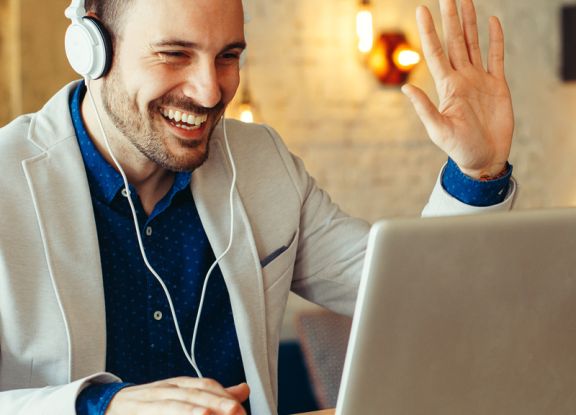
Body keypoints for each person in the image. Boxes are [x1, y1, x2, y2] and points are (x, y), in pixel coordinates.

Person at [0, 0, 515, 414]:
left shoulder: (263, 161)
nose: (209, 90)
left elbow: (416, 293)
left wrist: (478, 172)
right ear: (91, 49)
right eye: (174, 54)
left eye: (228, 56)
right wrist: (102, 406)